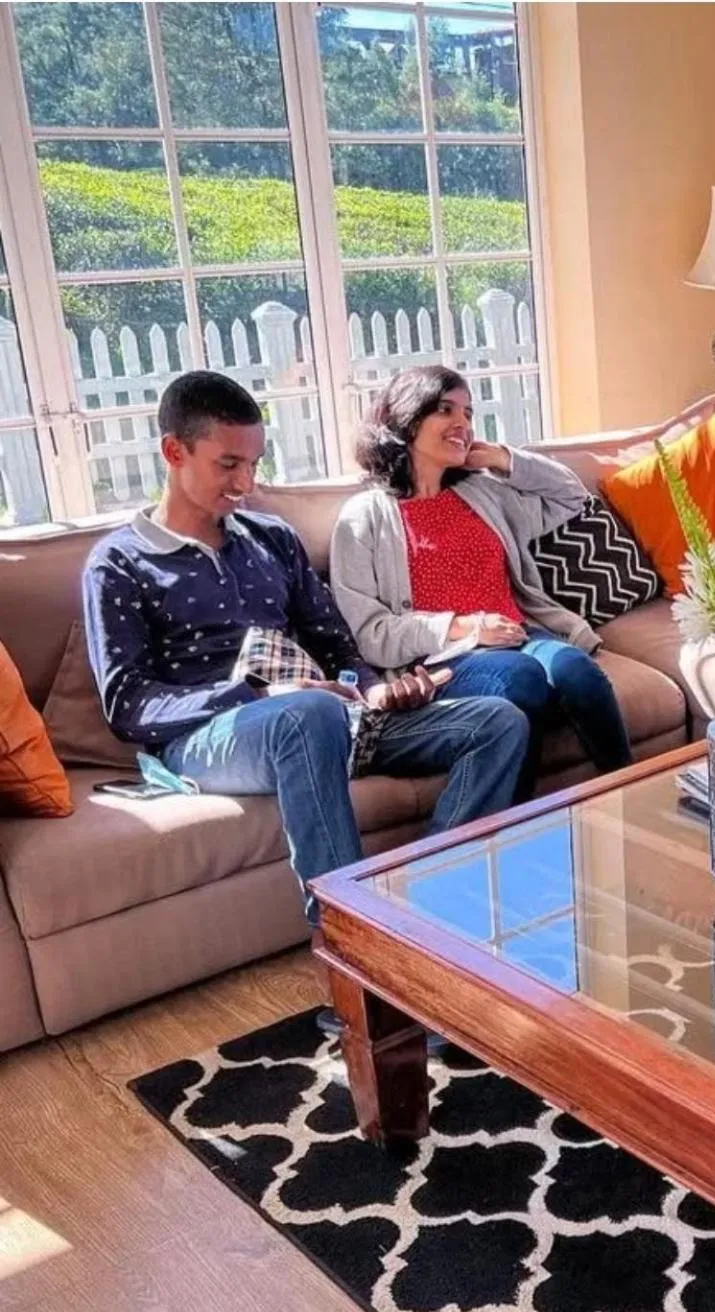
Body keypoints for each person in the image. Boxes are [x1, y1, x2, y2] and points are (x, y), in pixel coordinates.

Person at [83, 371, 531, 930]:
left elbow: (333, 642)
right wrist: (257, 692)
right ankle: (352, 938)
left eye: (254, 463)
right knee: (305, 713)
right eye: (229, 464)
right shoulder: (119, 563)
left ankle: (429, 913)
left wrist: (376, 688)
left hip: (325, 714)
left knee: (498, 722)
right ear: (174, 451)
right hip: (205, 739)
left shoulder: (272, 538)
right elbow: (130, 707)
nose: (245, 483)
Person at [329, 366, 633, 778]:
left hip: (521, 636)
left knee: (576, 669)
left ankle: (627, 793)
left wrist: (502, 458)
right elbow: (373, 635)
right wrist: (463, 626)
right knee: (522, 677)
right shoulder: (364, 517)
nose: (462, 424)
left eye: (469, 413)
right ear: (407, 418)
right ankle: (511, 828)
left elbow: (571, 497)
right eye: (445, 409)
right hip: (444, 658)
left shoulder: (481, 493)